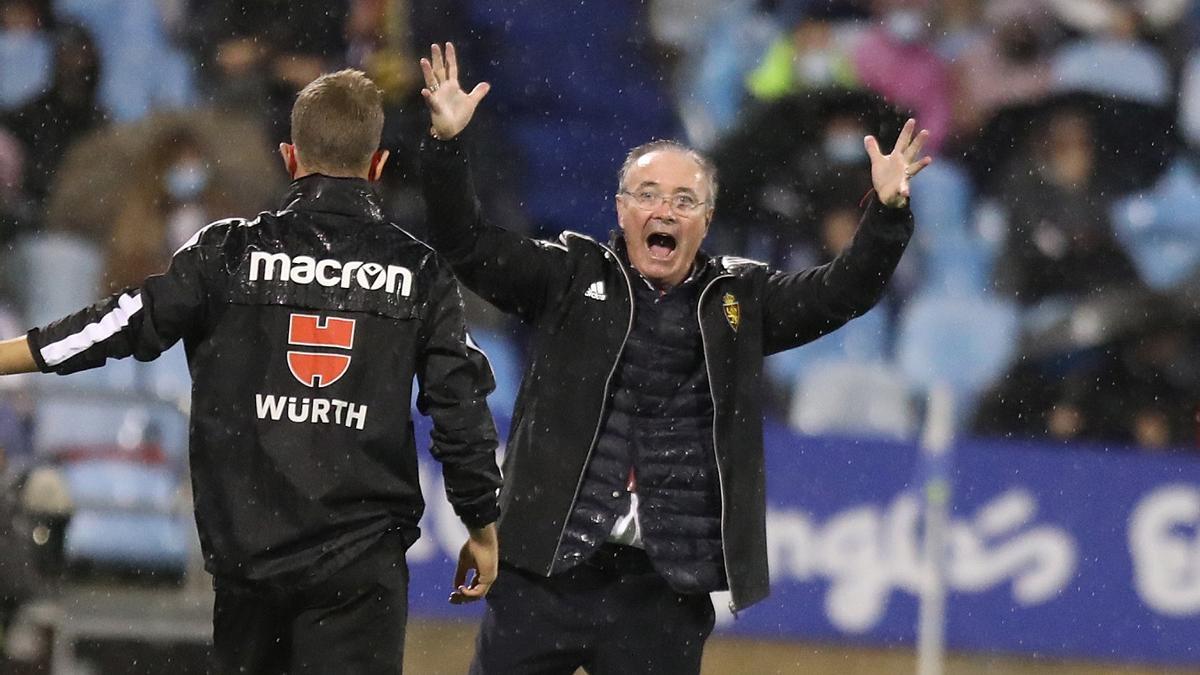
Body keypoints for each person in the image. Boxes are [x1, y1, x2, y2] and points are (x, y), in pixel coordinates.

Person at [417, 43, 931, 674]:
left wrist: (885, 214)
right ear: (620, 208)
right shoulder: (568, 276)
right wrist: (446, 146)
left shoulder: (742, 299)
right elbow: (465, 242)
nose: (664, 211)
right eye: (648, 195)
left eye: (684, 201)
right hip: (544, 574)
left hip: (662, 592)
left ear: (706, 220)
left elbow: (842, 292)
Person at [0, 68, 501, 674]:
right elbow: (460, 405)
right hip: (360, 565)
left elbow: (117, 324)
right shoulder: (419, 271)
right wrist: (480, 521)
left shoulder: (226, 252)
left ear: (290, 157)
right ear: (378, 165)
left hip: (249, 556)